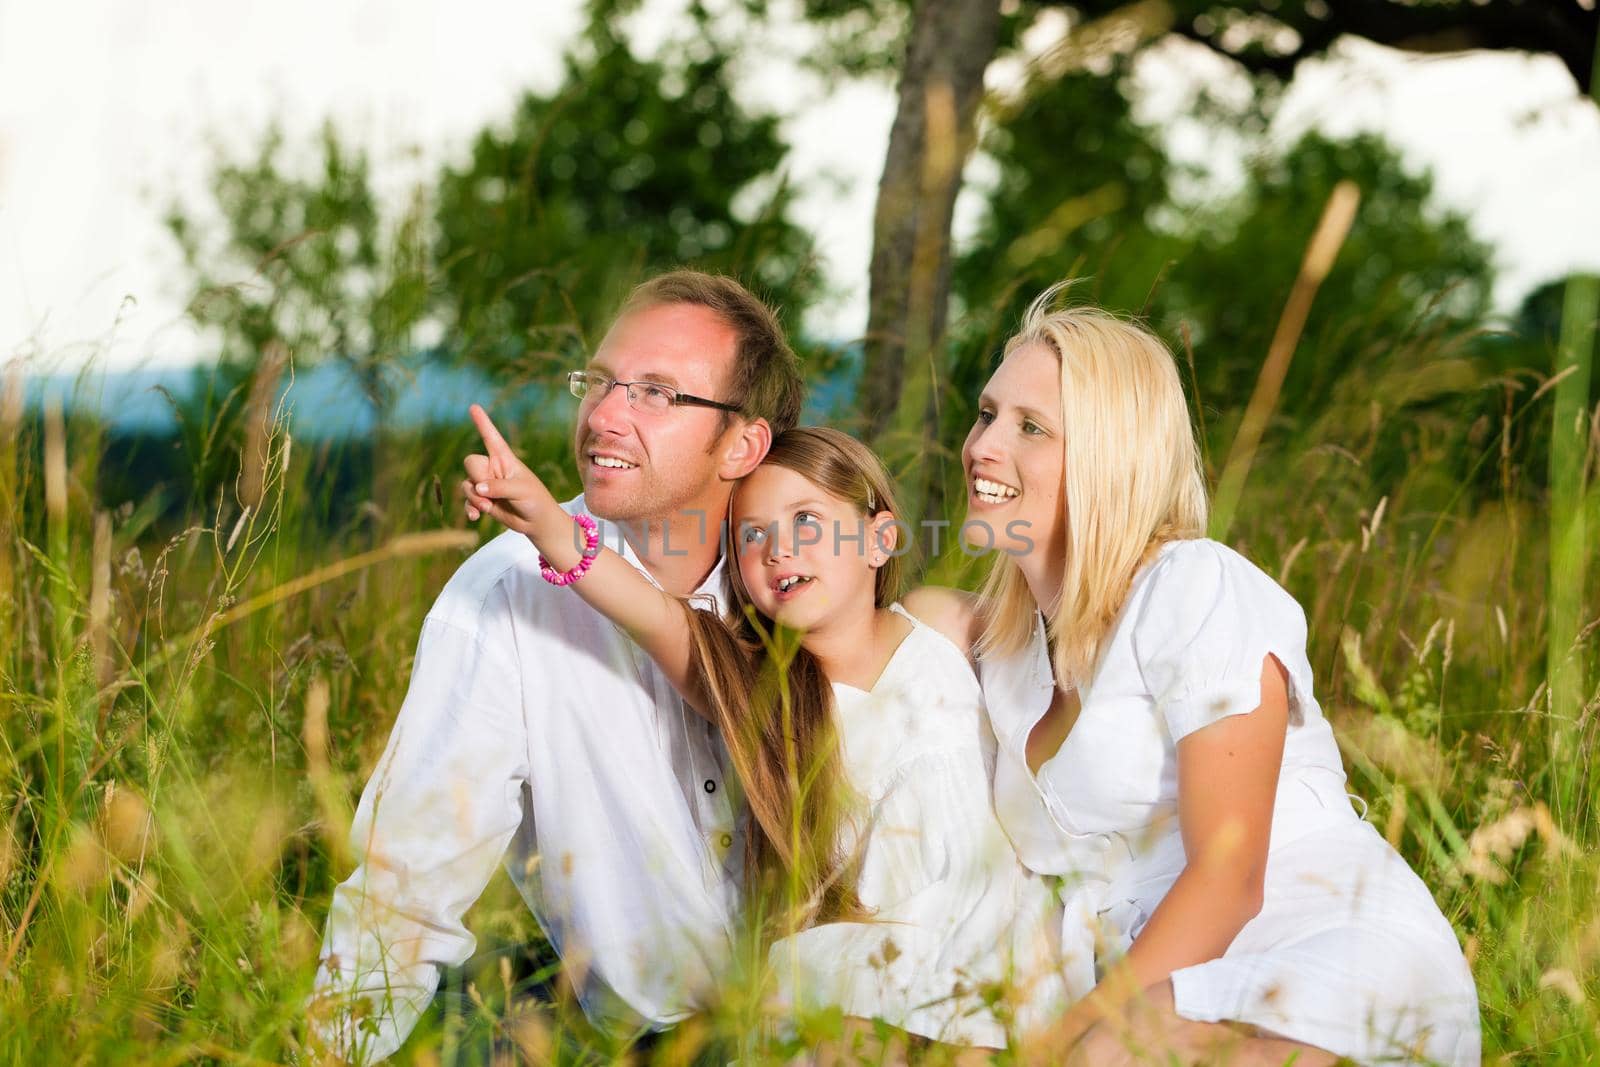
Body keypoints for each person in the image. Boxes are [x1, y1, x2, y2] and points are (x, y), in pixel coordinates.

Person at [942, 286, 1481, 1065]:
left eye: (1031, 427)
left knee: (1109, 1056)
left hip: (1313, 947)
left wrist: (1053, 1047)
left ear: (1109, 456)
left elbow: (1229, 878)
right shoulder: (1008, 652)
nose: (983, 445)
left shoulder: (1194, 586)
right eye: (987, 413)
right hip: (1154, 988)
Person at [309, 270, 804, 1063]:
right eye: (600, 381)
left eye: (656, 394)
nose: (605, 415)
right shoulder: (507, 593)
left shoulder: (802, 581)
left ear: (743, 443)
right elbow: (406, 884)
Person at [463, 418, 1067, 1053]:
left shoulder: (942, 624)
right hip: (870, 959)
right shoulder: (765, 694)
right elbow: (648, 611)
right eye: (752, 537)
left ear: (879, 539)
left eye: (806, 521)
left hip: (1004, 939)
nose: (778, 549)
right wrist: (546, 524)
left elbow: (1067, 641)